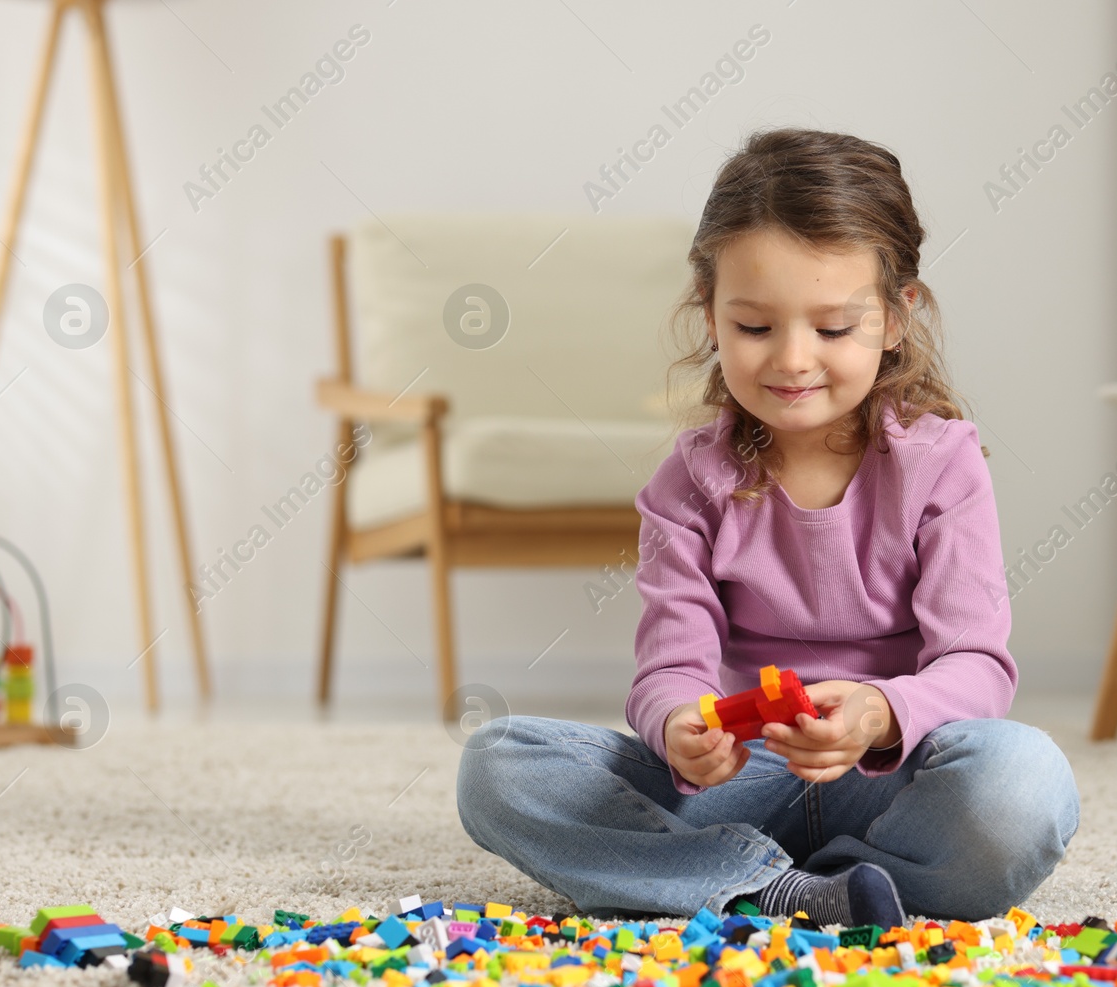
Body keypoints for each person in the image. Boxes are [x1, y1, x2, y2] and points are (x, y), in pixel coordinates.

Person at [458, 127, 1079, 925]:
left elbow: (975, 666)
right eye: (755, 327)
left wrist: (878, 712)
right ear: (709, 315)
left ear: (895, 318)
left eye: (832, 328)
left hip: (890, 780)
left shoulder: (942, 463)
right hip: (734, 785)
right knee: (498, 767)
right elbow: (669, 668)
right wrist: (680, 724)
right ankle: (780, 890)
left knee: (1025, 781)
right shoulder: (689, 481)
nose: (791, 359)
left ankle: (781, 880)